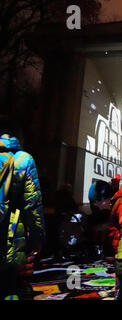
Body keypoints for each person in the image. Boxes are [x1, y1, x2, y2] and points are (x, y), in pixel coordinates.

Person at [0, 116, 45, 300]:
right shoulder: (23, 160)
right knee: (9, 290)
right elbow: (33, 207)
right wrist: (37, 243)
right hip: (9, 243)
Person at [88, 180, 113, 259]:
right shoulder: (103, 207)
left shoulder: (95, 205)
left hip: (99, 219)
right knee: (100, 231)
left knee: (98, 231)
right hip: (101, 219)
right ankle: (100, 249)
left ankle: (97, 249)